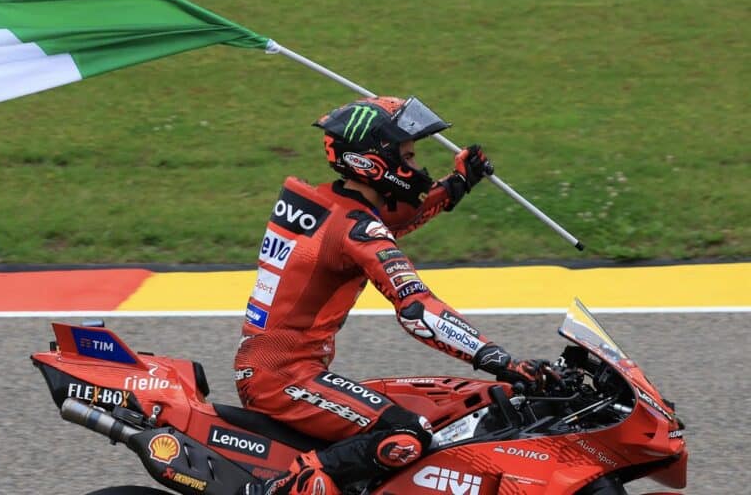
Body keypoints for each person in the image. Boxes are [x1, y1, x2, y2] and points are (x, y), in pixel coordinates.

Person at [235, 96, 554, 495]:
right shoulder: (354, 229)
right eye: (410, 155)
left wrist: (456, 185)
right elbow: (418, 310)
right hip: (284, 378)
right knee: (407, 432)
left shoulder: (328, 206)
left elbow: (387, 225)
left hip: (274, 368)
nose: (419, 167)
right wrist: (497, 359)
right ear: (375, 163)